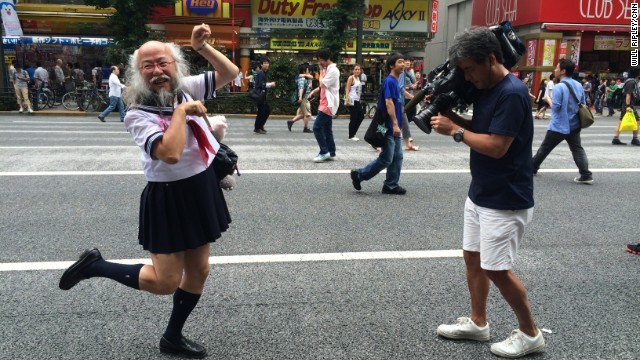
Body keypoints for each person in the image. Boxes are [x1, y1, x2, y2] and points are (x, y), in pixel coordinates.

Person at [58, 23, 238, 359]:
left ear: (175, 65)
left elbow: (230, 71)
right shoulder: (138, 114)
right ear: (138, 73)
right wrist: (182, 113)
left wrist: (202, 47)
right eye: (148, 66)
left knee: (199, 270)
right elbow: (169, 154)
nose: (157, 70)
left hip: (200, 189)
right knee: (165, 282)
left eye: (163, 62)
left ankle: (172, 337)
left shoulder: (187, 88)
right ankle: (94, 266)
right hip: (168, 197)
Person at [429, 27, 545, 358]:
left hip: (505, 199)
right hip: (481, 191)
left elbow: (496, 146)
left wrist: (455, 130)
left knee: (496, 269)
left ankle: (530, 333)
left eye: (469, 69)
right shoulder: (488, 89)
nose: (467, 77)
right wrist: (451, 116)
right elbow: (483, 128)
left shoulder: (511, 92)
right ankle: (478, 323)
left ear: (491, 59)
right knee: (473, 258)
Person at [350, 53, 406, 195]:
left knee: (397, 156)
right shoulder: (390, 81)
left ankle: (391, 185)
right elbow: (389, 103)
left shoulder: (396, 82)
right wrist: (394, 124)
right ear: (392, 65)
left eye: (404, 62)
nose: (404, 64)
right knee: (387, 158)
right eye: (400, 62)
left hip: (395, 126)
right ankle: (360, 175)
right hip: (388, 126)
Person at [532, 59, 594, 184]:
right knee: (577, 149)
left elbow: (556, 107)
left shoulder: (559, 86)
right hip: (574, 124)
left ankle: (532, 168)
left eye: (557, 68)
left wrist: (548, 99)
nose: (555, 70)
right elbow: (583, 103)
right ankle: (586, 175)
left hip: (559, 125)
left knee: (545, 148)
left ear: (563, 71)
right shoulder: (578, 85)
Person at [308, 48, 340, 162]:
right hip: (325, 101)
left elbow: (322, 82)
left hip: (328, 103)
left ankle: (324, 151)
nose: (319, 63)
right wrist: (315, 91)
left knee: (317, 127)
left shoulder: (333, 70)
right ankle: (331, 152)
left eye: (320, 60)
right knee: (327, 129)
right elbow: (323, 86)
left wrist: (321, 71)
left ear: (326, 59)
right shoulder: (328, 69)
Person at [611, 68, 640, 146]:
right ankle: (634, 139)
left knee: (623, 121)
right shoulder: (631, 82)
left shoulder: (630, 81)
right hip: (628, 105)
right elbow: (628, 94)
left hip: (628, 105)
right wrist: (628, 106)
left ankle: (616, 138)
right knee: (637, 120)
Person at [288, 63, 314, 133]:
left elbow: (311, 78)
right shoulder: (302, 79)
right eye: (307, 69)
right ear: (304, 70)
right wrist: (300, 97)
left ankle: (291, 122)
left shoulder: (306, 78)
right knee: (307, 114)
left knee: (303, 114)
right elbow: (301, 88)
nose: (309, 70)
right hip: (304, 98)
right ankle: (305, 128)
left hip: (306, 98)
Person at [253, 58, 275, 134]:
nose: (266, 64)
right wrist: (270, 84)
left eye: (267, 63)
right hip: (260, 95)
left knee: (266, 111)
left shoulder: (264, 73)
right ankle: (257, 127)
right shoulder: (261, 73)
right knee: (262, 112)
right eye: (265, 63)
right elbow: (261, 85)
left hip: (262, 95)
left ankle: (260, 126)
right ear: (261, 65)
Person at [344, 64, 364, 141]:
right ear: (353, 70)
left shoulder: (358, 78)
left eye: (358, 69)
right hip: (352, 100)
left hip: (357, 100)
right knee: (354, 118)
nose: (357, 71)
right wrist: (347, 99)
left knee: (361, 116)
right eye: (355, 69)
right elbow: (347, 89)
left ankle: (353, 133)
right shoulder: (351, 78)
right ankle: (351, 135)